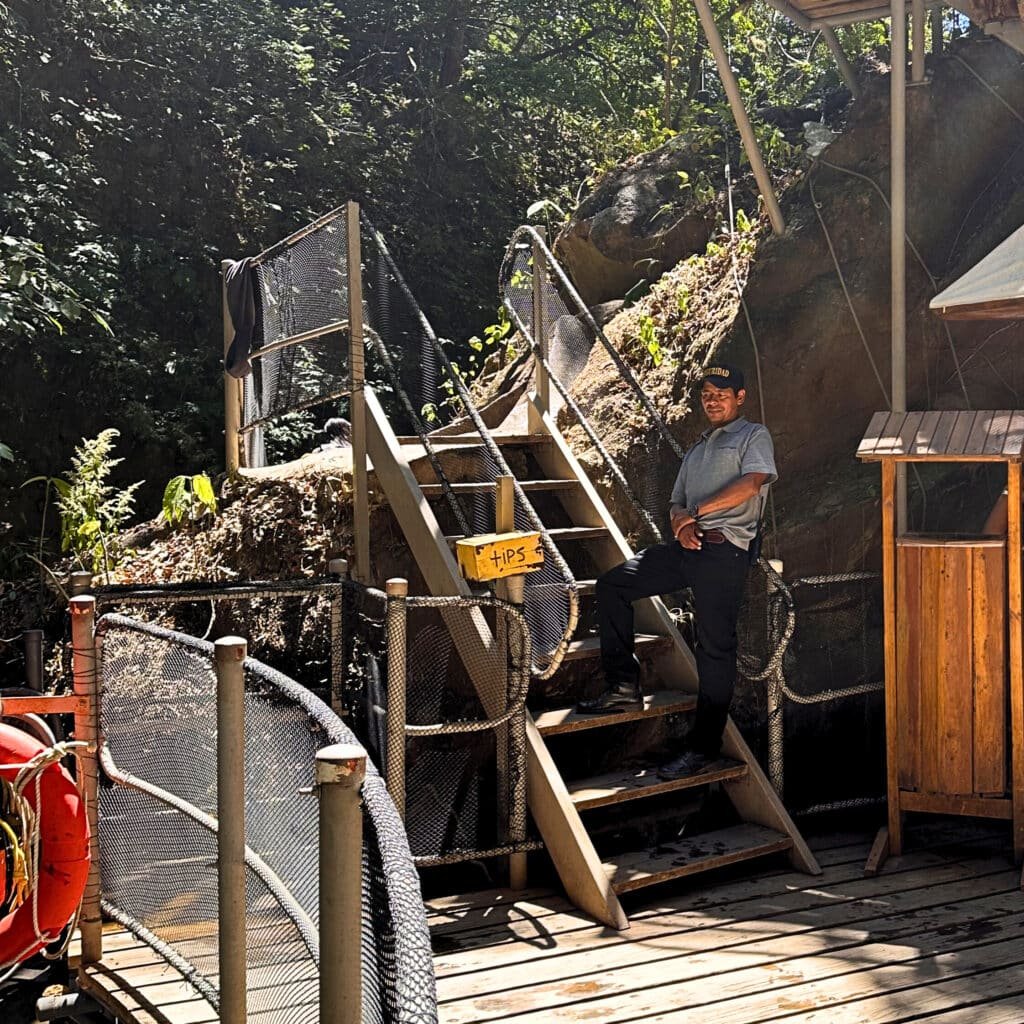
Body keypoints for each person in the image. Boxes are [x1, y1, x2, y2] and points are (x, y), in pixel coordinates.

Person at [575, 363, 777, 780]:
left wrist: (695, 515)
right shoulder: (697, 449)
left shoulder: (753, 435)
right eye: (707, 394)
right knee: (613, 585)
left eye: (721, 394)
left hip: (724, 552)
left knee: (715, 648)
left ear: (740, 398)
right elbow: (674, 504)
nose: (712, 401)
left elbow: (751, 485)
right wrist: (681, 525)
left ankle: (703, 748)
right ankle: (623, 688)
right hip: (687, 548)